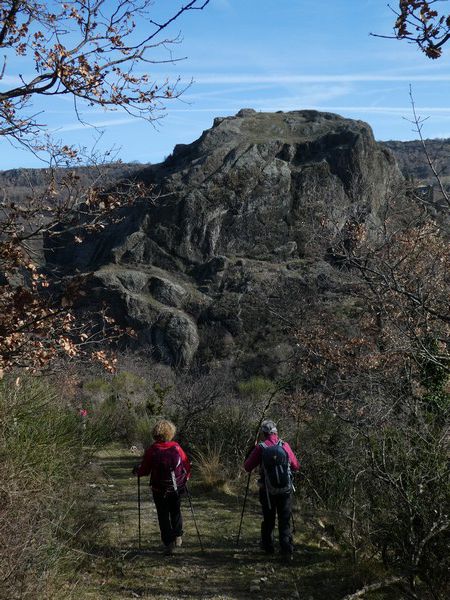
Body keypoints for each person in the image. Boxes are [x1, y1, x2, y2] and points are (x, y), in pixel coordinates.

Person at [244, 419, 300, 560]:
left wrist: (252, 451)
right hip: (285, 490)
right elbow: (295, 466)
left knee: (268, 518)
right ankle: (286, 550)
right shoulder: (285, 445)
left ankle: (268, 546)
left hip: (267, 491)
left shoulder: (261, 448)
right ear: (276, 432)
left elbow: (247, 467)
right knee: (284, 518)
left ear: (264, 433)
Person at [133, 419, 191, 555]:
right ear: (170, 433)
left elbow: (145, 470)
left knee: (163, 515)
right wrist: (185, 478)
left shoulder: (152, 450)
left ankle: (168, 543)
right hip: (176, 488)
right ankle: (178, 536)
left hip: (159, 489)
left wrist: (137, 471)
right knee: (175, 511)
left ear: (155, 434)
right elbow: (186, 465)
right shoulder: (176, 447)